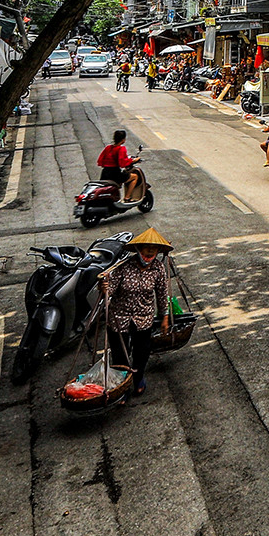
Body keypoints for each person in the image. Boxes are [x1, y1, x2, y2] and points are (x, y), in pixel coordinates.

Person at [101, 227, 173, 397]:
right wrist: (104, 288)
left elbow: (162, 294)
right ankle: (122, 386)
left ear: (157, 251)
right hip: (119, 318)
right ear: (138, 249)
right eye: (146, 247)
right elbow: (109, 291)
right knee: (120, 356)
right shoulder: (123, 267)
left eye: (153, 248)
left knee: (142, 352)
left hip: (144, 318)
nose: (149, 252)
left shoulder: (158, 269)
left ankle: (138, 376)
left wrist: (165, 317)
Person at [98, 129, 141, 202]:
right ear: (123, 140)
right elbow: (122, 163)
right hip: (115, 174)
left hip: (105, 173)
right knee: (135, 177)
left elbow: (100, 161)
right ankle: (127, 197)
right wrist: (133, 160)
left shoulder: (108, 148)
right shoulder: (121, 149)